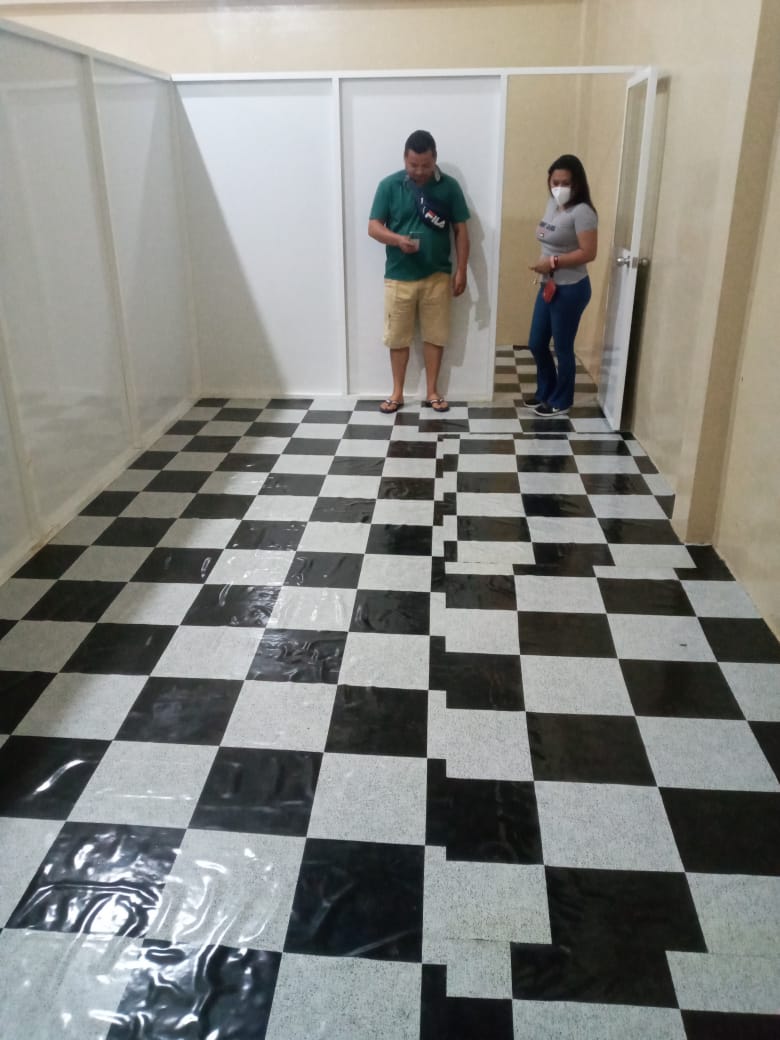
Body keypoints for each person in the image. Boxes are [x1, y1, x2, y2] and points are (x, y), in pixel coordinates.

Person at [368, 129, 470, 413]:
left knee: (435, 335)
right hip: (398, 276)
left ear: (435, 158)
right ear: (405, 158)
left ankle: (433, 391)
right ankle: (397, 393)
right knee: (397, 337)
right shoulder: (389, 186)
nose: (419, 171)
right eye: (413, 165)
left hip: (438, 275)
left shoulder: (449, 187)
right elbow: (373, 227)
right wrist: (397, 240)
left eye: (425, 165)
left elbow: (461, 231)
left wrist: (462, 270)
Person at [526, 154, 598, 417]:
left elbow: (589, 252)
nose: (559, 188)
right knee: (536, 342)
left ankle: (562, 399)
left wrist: (553, 262)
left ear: (577, 183)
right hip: (549, 285)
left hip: (571, 288)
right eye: (555, 182)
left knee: (563, 347)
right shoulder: (552, 205)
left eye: (565, 183)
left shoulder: (583, 212)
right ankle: (545, 390)